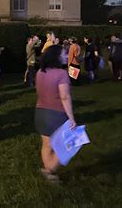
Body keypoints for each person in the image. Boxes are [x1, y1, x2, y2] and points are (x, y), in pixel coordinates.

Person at [35, 45, 76, 182]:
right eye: (64, 54)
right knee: (69, 143)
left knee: (47, 145)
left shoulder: (40, 72)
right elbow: (64, 97)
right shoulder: (61, 74)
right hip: (56, 114)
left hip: (40, 113)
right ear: (56, 57)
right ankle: (50, 171)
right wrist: (71, 118)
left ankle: (48, 172)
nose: (66, 56)